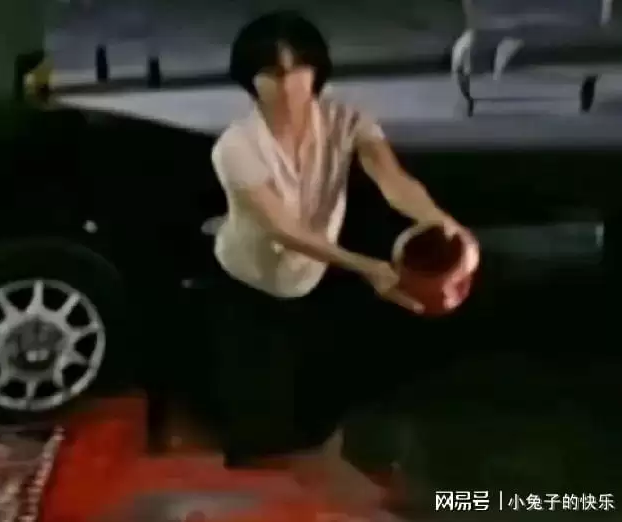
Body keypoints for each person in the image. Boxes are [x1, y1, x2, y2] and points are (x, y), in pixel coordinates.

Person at [203, 8, 479, 499]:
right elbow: (284, 229)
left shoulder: (347, 120)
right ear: (250, 79)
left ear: (317, 71)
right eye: (272, 73)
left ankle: (323, 473)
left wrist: (442, 221)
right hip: (249, 279)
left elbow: (392, 179)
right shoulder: (235, 147)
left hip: (315, 270)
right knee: (255, 405)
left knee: (319, 388)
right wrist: (367, 268)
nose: (288, 85)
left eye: (298, 69)